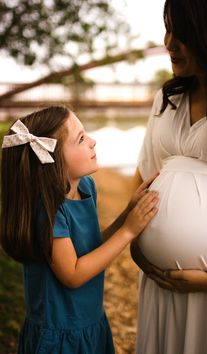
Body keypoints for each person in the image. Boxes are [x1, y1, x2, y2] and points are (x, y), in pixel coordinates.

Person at [0, 106, 159, 354]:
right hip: (62, 335)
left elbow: (89, 250)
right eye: (81, 139)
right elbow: (73, 274)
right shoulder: (48, 212)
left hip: (90, 321)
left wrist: (127, 214)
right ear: (52, 161)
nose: (93, 141)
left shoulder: (86, 186)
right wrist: (127, 232)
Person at [130, 0, 207, 353]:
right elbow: (143, 174)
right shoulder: (167, 99)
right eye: (169, 28)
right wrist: (135, 241)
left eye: (184, 34)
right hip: (158, 285)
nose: (169, 43)